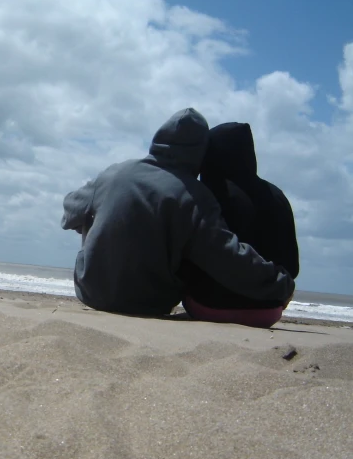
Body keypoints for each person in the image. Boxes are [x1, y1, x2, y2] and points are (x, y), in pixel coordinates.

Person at [60, 108, 295, 317]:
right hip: (149, 304)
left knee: (98, 212)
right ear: (201, 153)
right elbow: (226, 255)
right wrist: (280, 284)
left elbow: (70, 211)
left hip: (90, 292)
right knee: (186, 236)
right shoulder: (194, 195)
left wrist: (95, 220)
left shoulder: (114, 173)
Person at [179, 122, 300, 327]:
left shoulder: (206, 194)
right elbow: (292, 267)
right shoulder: (277, 196)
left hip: (207, 305)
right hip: (268, 311)